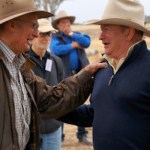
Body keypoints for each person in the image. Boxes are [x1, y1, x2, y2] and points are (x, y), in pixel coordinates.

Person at [0, 0, 108, 149]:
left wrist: (86, 75)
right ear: (12, 24)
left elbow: (49, 99)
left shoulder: (20, 66)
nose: (37, 34)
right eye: (34, 26)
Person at [59, 0, 150, 150]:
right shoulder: (103, 68)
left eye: (106, 29)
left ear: (129, 31)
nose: (100, 37)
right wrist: (54, 108)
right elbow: (94, 113)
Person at [50, 10, 92, 145]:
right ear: (58, 25)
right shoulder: (56, 38)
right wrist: (72, 45)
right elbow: (56, 50)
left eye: (68, 22)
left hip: (81, 74)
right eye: (63, 22)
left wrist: (73, 36)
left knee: (82, 103)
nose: (66, 24)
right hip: (65, 76)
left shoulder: (76, 35)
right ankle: (60, 136)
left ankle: (82, 134)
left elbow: (87, 42)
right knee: (62, 104)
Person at [25, 19, 64, 150]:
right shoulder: (22, 61)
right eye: (43, 33)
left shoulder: (57, 62)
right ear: (34, 35)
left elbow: (61, 92)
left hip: (53, 129)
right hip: (29, 131)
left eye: (49, 34)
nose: (46, 37)